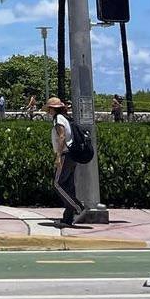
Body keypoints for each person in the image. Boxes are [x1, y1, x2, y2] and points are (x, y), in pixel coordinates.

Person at [46, 95, 85, 226]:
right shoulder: (65, 118)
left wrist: (58, 156)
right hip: (71, 155)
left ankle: (78, 207)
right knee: (68, 185)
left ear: (53, 109)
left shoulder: (58, 119)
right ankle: (68, 218)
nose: (48, 111)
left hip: (65, 155)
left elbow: (62, 137)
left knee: (57, 184)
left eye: (49, 109)